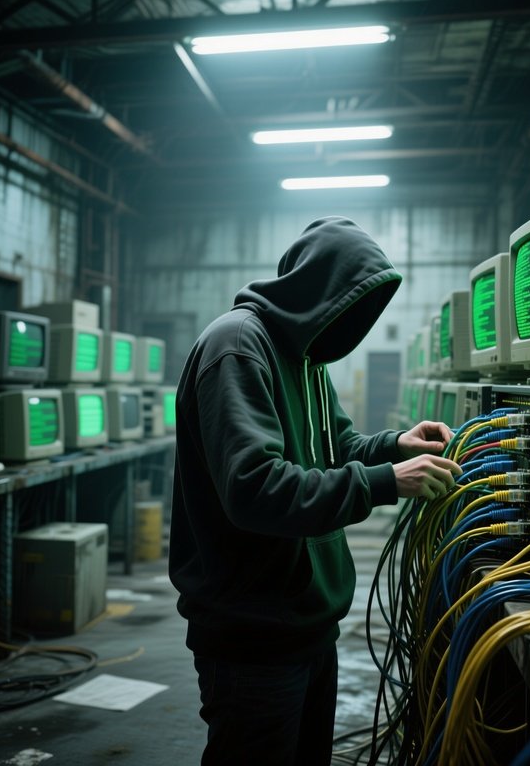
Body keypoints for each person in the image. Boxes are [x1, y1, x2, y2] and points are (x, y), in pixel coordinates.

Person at [168, 215, 462, 766]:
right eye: (349, 304)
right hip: (251, 633)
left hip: (308, 624)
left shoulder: (306, 356)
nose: (352, 324)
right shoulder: (238, 347)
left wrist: (396, 446)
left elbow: (339, 445)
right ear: (317, 289)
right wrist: (386, 482)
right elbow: (255, 488)